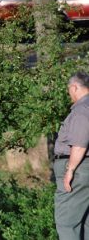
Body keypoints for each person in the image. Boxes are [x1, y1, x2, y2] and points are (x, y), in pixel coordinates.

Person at [54, 72, 89, 240]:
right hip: (85, 170)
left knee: (67, 223)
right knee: (85, 223)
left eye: (69, 89)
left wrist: (70, 170)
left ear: (74, 87)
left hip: (79, 169)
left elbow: (80, 142)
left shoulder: (82, 109)